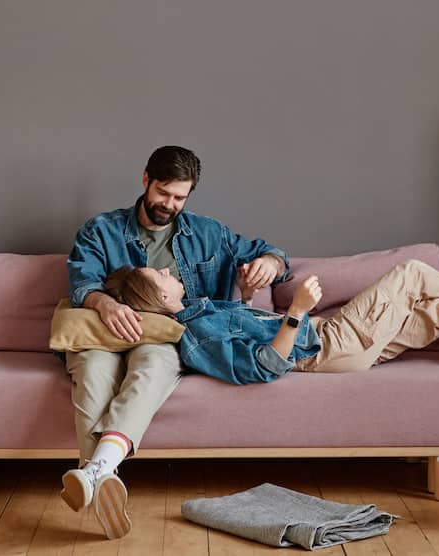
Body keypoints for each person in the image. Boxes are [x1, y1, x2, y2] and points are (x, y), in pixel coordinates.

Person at [63, 145, 289, 539]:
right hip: (106, 332)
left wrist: (271, 263)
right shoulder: (101, 229)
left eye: (179, 197)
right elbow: (83, 282)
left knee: (154, 366)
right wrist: (104, 304)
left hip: (164, 338)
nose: (169, 204)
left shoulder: (208, 233)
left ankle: (93, 475)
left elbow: (269, 254)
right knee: (94, 371)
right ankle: (101, 479)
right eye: (163, 193)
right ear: (146, 180)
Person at [102, 254, 439, 384]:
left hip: (342, 347)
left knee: (438, 310)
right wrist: (295, 312)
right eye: (159, 276)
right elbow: (264, 367)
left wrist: (252, 291)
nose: (168, 271)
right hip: (329, 345)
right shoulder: (197, 333)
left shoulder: (202, 312)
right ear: (157, 299)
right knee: (412, 272)